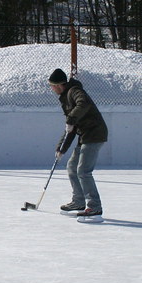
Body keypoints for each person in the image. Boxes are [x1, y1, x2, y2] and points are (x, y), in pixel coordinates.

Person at [48, 68, 108, 220]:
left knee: (83, 171)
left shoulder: (74, 91)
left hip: (94, 134)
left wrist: (71, 119)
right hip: (85, 135)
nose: (51, 88)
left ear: (59, 85)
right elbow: (70, 129)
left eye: (52, 85)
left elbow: (83, 104)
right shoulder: (65, 98)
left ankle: (95, 207)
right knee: (72, 167)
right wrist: (61, 148)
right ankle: (78, 201)